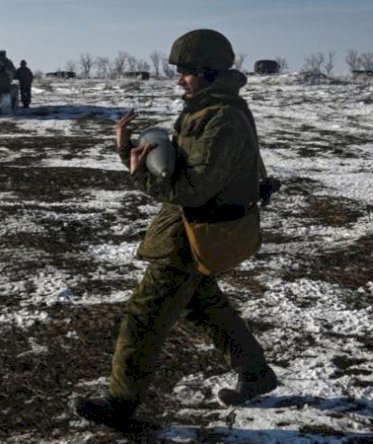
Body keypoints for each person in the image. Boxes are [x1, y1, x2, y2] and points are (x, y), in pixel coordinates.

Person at [75, 29, 278, 426]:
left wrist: (139, 175)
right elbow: (182, 171)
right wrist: (129, 150)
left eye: (186, 71)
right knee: (204, 305)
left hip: (193, 234)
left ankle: (120, 403)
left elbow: (192, 188)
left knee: (145, 316)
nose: (179, 78)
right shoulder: (209, 110)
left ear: (207, 72)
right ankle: (256, 374)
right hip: (191, 230)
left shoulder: (221, 119)